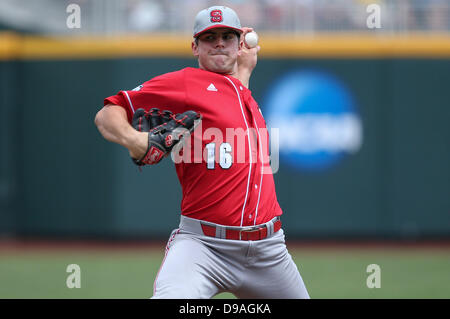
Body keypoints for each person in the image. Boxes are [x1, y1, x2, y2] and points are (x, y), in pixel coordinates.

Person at [95, 5, 309, 299]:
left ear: (239, 44)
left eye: (227, 36)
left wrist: (244, 66)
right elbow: (107, 113)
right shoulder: (185, 83)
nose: (219, 42)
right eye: (210, 38)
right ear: (195, 47)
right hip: (204, 246)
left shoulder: (242, 91)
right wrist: (136, 140)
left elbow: (231, 88)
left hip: (269, 251)